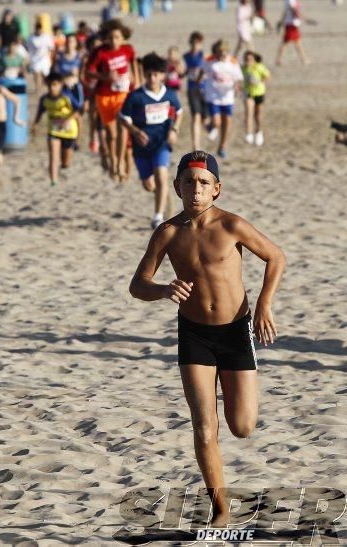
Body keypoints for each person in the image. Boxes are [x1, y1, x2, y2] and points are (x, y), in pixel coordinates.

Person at [129, 149, 286, 527]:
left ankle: (234, 395)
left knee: (242, 426)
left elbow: (276, 256)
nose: (195, 190)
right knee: (204, 426)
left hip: (235, 330)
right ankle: (221, 511)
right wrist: (164, 289)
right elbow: (138, 285)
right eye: (188, 182)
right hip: (194, 334)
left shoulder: (231, 226)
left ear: (217, 189)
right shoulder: (167, 232)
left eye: (203, 183)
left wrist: (264, 304)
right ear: (177, 186)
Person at [120, 52, 183, 229]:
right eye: (149, 75)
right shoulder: (135, 96)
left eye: (156, 74)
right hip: (141, 147)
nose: (152, 78)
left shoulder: (169, 94)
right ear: (144, 74)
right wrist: (134, 130)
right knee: (149, 184)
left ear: (162, 75)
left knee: (162, 175)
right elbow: (122, 117)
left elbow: (179, 112)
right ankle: (162, 196)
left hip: (162, 144)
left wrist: (174, 130)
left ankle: (157, 217)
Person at [86, 18, 138, 181]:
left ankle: (120, 161)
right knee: (111, 133)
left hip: (123, 94)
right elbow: (89, 72)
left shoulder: (128, 49)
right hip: (104, 95)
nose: (114, 41)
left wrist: (135, 77)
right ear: (106, 38)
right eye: (110, 38)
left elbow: (133, 61)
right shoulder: (100, 52)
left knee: (124, 128)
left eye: (117, 37)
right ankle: (113, 159)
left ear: (123, 37)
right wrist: (105, 76)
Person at [31, 72, 81, 187]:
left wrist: (68, 120)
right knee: (53, 155)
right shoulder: (44, 99)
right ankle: (53, 181)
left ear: (61, 84)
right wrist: (35, 124)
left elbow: (78, 111)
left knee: (66, 162)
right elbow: (40, 112)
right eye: (49, 85)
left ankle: (64, 165)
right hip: (53, 129)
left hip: (69, 131)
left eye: (54, 85)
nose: (52, 88)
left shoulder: (67, 97)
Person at [200, 40, 243, 159]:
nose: (222, 55)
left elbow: (238, 77)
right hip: (213, 96)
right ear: (216, 52)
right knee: (217, 121)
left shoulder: (233, 62)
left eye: (224, 52)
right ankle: (211, 126)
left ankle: (222, 147)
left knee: (227, 122)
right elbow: (202, 71)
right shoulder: (210, 61)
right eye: (220, 52)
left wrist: (237, 86)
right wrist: (199, 82)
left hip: (228, 97)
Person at [183, 31, 210, 151]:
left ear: (201, 44)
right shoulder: (186, 57)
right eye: (193, 43)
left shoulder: (205, 56)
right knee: (195, 117)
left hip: (205, 89)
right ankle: (196, 145)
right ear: (190, 43)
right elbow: (183, 72)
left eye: (198, 43)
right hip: (192, 89)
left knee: (205, 119)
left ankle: (209, 127)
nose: (195, 45)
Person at [242, 51, 270, 146]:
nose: (248, 61)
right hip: (248, 93)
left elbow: (267, 76)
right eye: (246, 60)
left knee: (257, 114)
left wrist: (258, 81)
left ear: (253, 60)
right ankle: (249, 133)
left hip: (259, 92)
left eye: (249, 60)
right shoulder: (242, 68)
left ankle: (259, 132)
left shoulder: (259, 67)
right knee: (248, 112)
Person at [275, 0, 315, 65]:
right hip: (291, 24)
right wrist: (305, 19)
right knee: (287, 42)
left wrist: (281, 21)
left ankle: (303, 59)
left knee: (296, 42)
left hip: (291, 23)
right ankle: (279, 60)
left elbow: (285, 12)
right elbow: (294, 11)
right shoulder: (291, 0)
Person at [27, 23, 54, 94]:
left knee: (44, 75)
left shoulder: (46, 37)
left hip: (44, 59)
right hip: (35, 59)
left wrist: (50, 56)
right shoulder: (31, 37)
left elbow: (51, 48)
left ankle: (43, 88)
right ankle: (38, 89)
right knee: (37, 74)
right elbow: (28, 48)